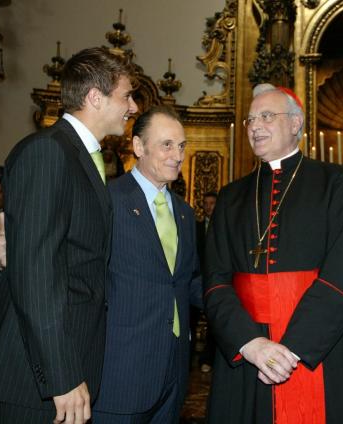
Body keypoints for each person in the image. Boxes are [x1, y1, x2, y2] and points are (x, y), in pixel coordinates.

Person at [0, 46, 138, 423]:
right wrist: (61, 374)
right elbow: (37, 271)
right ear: (95, 97)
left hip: (59, 367)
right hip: (29, 378)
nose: (134, 107)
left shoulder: (79, 157)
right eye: (127, 95)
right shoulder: (49, 152)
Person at [204, 83, 343, 423]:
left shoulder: (335, 182)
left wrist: (291, 350)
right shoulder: (230, 196)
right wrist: (249, 343)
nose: (255, 126)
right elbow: (215, 280)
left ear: (296, 124)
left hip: (315, 346)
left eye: (266, 116)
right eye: (250, 120)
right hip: (247, 346)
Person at [92, 106, 202, 423]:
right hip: (120, 372)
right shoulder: (108, 200)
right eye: (166, 144)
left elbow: (189, 281)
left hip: (174, 372)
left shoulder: (184, 212)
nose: (178, 155)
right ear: (139, 147)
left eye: (181, 146)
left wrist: (240, 304)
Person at [192, 191, 217, 373]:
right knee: (190, 320)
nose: (209, 207)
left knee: (215, 321)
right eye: (206, 203)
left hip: (216, 280)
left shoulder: (223, 226)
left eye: (212, 203)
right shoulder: (195, 227)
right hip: (196, 280)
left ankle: (208, 358)